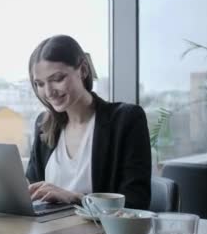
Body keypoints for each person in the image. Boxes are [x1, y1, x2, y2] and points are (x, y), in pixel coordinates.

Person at [25, 35, 151, 209]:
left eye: (57, 79)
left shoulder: (126, 120)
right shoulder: (44, 125)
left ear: (83, 70)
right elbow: (32, 192)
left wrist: (76, 198)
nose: (48, 92)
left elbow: (136, 202)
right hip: (51, 232)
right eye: (39, 83)